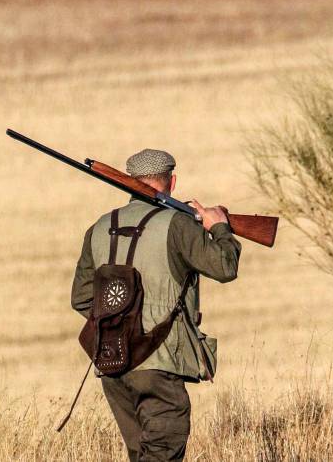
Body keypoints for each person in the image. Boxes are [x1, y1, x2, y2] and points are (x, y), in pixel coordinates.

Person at [70, 148, 241, 461]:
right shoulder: (177, 225)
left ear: (129, 182)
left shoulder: (99, 227)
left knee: (142, 455)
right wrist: (219, 227)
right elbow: (225, 267)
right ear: (172, 182)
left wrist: (120, 323)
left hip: (113, 365)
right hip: (159, 363)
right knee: (162, 453)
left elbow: (82, 298)